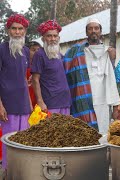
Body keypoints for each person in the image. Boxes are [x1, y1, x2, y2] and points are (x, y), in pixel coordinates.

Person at [64, 18, 120, 134]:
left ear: (100, 31)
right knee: (85, 135)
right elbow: (64, 73)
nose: (93, 31)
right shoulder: (76, 52)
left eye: (96, 28)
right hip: (83, 102)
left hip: (102, 103)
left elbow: (110, 80)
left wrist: (115, 107)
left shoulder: (106, 52)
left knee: (103, 134)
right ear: (86, 32)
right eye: (90, 28)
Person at [0, 14, 31, 169]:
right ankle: (7, 173)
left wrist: (30, 105)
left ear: (24, 31)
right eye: (14, 29)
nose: (17, 32)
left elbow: (24, 79)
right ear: (9, 30)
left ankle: (23, 173)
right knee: (9, 142)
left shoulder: (25, 51)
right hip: (8, 106)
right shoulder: (1, 49)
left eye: (20, 29)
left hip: (24, 106)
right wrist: (0, 106)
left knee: (24, 142)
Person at [31, 20, 71, 115]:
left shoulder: (59, 55)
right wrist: (40, 101)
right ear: (43, 38)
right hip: (50, 104)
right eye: (49, 36)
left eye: (55, 36)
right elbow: (35, 79)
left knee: (65, 130)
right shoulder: (39, 55)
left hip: (65, 102)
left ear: (58, 38)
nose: (52, 39)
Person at [26, 41, 41, 107]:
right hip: (28, 101)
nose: (37, 52)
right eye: (33, 50)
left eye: (38, 50)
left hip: (41, 101)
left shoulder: (42, 66)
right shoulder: (24, 67)